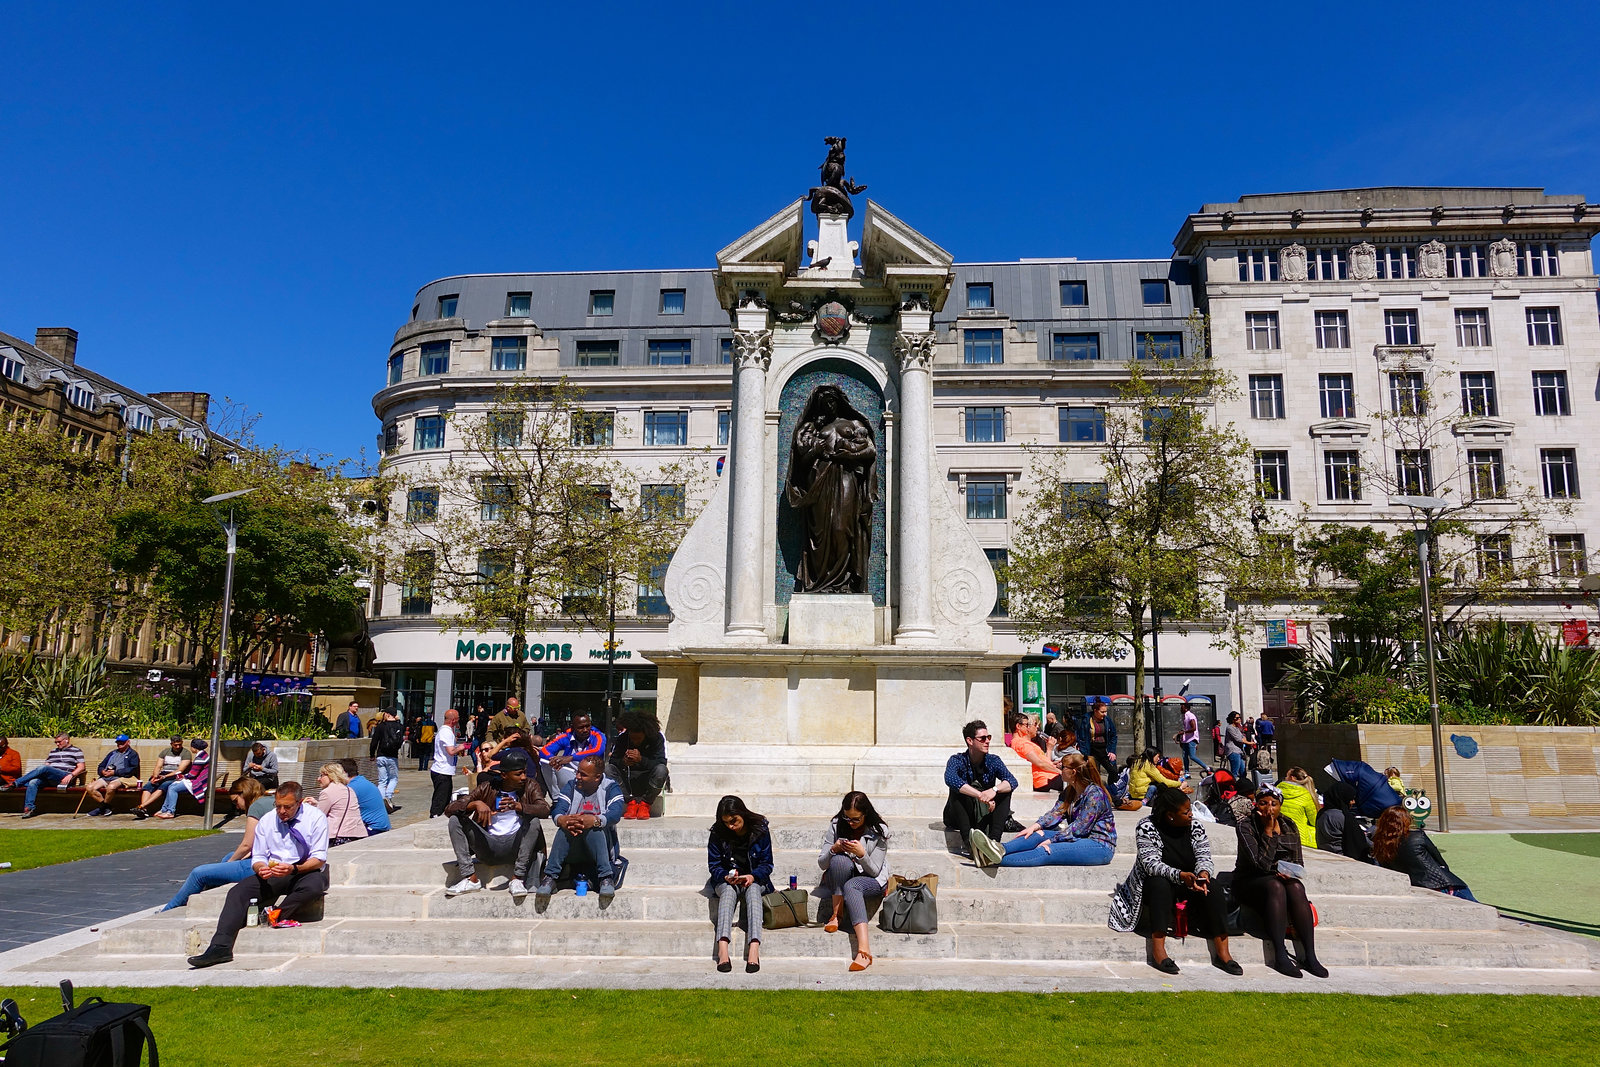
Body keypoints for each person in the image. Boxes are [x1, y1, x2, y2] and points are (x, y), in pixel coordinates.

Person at [186, 781, 331, 968]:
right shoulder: (268, 820)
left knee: (313, 886)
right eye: (278, 806)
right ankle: (220, 947)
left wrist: (294, 869)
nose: (282, 811)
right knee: (237, 893)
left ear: (300, 803)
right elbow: (259, 855)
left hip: (304, 869)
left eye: (288, 807)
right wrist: (260, 867)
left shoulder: (316, 818)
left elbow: (319, 858)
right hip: (274, 870)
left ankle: (275, 914)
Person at [1109, 785, 1241, 975]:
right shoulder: (1147, 826)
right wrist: (1180, 876)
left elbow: (1204, 855)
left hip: (1189, 880)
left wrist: (1203, 873)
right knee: (1159, 885)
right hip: (1156, 882)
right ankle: (1159, 949)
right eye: (1186, 812)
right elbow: (1150, 864)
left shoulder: (1195, 826)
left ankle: (1223, 952)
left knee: (1215, 888)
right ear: (1170, 815)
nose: (1191, 815)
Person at [1232, 783, 1327, 978]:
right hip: (1251, 880)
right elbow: (1261, 865)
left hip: (1280, 877)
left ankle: (1309, 955)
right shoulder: (1246, 826)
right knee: (1275, 886)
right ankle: (1279, 954)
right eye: (1263, 803)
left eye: (1274, 804)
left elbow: (1298, 861)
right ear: (1255, 805)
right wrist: (1268, 832)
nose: (1269, 809)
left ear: (1280, 805)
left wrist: (1291, 873)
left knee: (1296, 887)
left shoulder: (1289, 825)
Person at [443, 748, 551, 900]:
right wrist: (475, 804)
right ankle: (470, 878)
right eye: (518, 774)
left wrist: (519, 806)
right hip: (488, 846)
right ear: (505, 775)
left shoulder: (530, 786)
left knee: (533, 822)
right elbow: (449, 810)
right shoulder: (488, 787)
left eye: (524, 772)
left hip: (516, 846)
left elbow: (545, 809)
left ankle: (517, 878)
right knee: (455, 820)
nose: (523, 777)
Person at [983, 752, 1116, 868]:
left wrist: (1052, 840)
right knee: (1038, 834)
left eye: (1063, 767)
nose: (1058, 768)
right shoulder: (1070, 791)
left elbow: (1079, 828)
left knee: (1046, 850)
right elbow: (1055, 813)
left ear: (1073, 772)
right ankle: (999, 849)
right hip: (1079, 837)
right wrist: (1035, 827)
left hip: (1098, 845)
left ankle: (993, 860)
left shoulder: (1095, 795)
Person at [162, 779, 272, 910]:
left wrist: (229, 863)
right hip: (271, 857)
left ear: (244, 794)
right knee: (228, 857)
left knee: (199, 873)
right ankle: (204, 895)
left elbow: (247, 845)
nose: (237, 806)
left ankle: (169, 909)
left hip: (263, 864)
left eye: (236, 801)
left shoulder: (257, 806)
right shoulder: (269, 801)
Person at [537, 755, 625, 900]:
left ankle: (605, 878)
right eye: (577, 772)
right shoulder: (571, 786)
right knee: (565, 828)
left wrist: (595, 820)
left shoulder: (611, 787)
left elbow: (615, 814)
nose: (577, 776)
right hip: (573, 845)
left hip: (599, 847)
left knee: (594, 827)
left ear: (597, 777)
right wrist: (562, 819)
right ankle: (550, 877)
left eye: (583, 774)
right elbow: (558, 809)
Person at [818, 790, 887, 973]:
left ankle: (864, 951)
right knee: (839, 861)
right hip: (843, 874)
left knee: (852, 886)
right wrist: (833, 849)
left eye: (856, 819)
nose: (851, 823)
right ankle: (836, 914)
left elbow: (875, 871)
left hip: (871, 880)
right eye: (847, 818)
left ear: (866, 814)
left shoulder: (879, 831)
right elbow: (822, 863)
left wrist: (862, 854)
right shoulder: (836, 825)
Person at [706, 795, 772, 973]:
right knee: (728, 892)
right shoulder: (718, 833)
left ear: (742, 814)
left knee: (753, 891)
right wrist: (726, 876)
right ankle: (723, 950)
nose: (731, 826)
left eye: (734, 821)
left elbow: (767, 865)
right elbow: (714, 866)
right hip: (727, 880)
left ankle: (754, 948)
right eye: (726, 822)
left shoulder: (760, 829)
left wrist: (752, 876)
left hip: (754, 879)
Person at [942, 719, 1019, 856]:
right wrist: (980, 795)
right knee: (957, 790)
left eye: (988, 737)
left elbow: (1012, 781)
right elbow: (950, 779)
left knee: (1005, 790)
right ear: (970, 741)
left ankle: (994, 843)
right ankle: (970, 846)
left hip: (983, 813)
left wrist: (993, 790)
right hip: (959, 815)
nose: (987, 741)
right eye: (982, 738)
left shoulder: (993, 760)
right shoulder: (957, 760)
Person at [1371, 805, 1476, 900]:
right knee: (1475, 904)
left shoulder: (1379, 843)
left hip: (1413, 885)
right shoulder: (1417, 836)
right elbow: (1439, 860)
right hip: (1440, 883)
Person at [606, 710, 668, 820]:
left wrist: (641, 760)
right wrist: (623, 762)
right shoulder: (623, 738)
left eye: (638, 739)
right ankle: (631, 803)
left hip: (648, 779)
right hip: (628, 780)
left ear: (645, 734)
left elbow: (661, 762)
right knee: (608, 769)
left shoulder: (656, 738)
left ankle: (645, 804)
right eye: (632, 738)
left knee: (662, 770)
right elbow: (613, 761)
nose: (635, 742)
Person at [10, 733, 86, 818]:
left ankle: (16, 783)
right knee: (33, 782)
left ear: (66, 740)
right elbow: (47, 764)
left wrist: (71, 775)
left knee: (44, 768)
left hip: (64, 776)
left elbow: (81, 767)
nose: (57, 744)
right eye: (56, 742)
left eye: (59, 742)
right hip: (50, 778)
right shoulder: (53, 751)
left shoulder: (76, 751)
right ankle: (29, 808)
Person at [540, 714, 607, 791]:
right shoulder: (566, 736)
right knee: (545, 763)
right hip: (569, 774)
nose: (585, 730)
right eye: (581, 727)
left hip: (591, 777)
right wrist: (554, 760)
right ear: (573, 727)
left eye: (588, 726)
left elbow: (597, 751)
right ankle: (557, 799)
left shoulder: (598, 735)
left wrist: (571, 758)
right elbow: (544, 751)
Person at [84, 734, 142, 816]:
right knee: (90, 788)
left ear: (128, 742)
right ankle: (105, 807)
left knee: (111, 787)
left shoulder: (133, 754)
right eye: (118, 742)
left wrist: (115, 772)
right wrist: (102, 771)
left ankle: (101, 808)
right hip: (106, 776)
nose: (119, 744)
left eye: (122, 742)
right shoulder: (112, 753)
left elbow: (132, 769)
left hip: (122, 778)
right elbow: (101, 765)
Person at [132, 737, 189, 819]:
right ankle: (143, 810)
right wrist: (155, 776)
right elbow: (158, 766)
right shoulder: (165, 752)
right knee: (149, 786)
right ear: (171, 744)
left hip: (175, 777)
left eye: (179, 744)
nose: (178, 747)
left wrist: (164, 777)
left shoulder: (186, 753)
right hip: (163, 775)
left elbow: (180, 770)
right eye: (175, 745)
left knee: (164, 786)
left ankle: (141, 806)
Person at [312, 762, 368, 846]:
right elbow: (340, 807)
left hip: (338, 836)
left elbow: (319, 816)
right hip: (357, 833)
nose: (318, 779)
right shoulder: (349, 790)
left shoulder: (327, 792)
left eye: (322, 775)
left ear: (331, 776)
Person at [152, 738, 210, 819]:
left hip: (200, 782)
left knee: (173, 788)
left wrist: (183, 776)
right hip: (200, 779)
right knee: (172, 785)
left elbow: (193, 774)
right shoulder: (203, 755)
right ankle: (164, 809)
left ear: (194, 748)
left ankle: (170, 812)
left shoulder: (200, 758)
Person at [1314, 781, 1371, 862]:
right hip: (1342, 858)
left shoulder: (1322, 813)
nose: (1353, 802)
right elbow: (1359, 840)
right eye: (1351, 799)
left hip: (1325, 856)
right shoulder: (1343, 817)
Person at [338, 758, 391, 836]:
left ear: (343, 773)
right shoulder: (362, 781)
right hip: (382, 825)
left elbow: (339, 810)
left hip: (373, 828)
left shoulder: (351, 788)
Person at [1008, 714, 1061, 793]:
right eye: (1026, 725)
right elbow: (1040, 763)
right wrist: (1060, 772)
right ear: (1018, 726)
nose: (1028, 727)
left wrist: (1049, 750)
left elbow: (1042, 762)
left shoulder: (1020, 743)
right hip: (1045, 779)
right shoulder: (1022, 744)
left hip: (1047, 777)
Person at [429, 708, 467, 818]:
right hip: (442, 770)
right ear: (453, 720)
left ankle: (439, 815)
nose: (459, 720)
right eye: (458, 718)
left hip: (444, 770)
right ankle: (435, 816)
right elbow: (451, 751)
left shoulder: (445, 731)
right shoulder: (446, 732)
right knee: (441, 798)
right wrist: (460, 747)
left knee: (445, 797)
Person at [1072, 698, 1119, 783]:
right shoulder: (1086, 720)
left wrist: (1112, 751)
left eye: (1106, 712)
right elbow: (1081, 737)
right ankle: (1097, 791)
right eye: (1102, 712)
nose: (1105, 714)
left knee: (1113, 771)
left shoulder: (1107, 720)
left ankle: (1112, 790)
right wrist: (1083, 752)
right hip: (1092, 750)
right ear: (1095, 711)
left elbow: (1113, 736)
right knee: (1095, 774)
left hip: (1105, 749)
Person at [369, 708, 405, 811]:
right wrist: (398, 721)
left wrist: (372, 754)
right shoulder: (399, 726)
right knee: (393, 778)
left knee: (382, 781)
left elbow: (374, 742)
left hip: (381, 755)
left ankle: (381, 800)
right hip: (392, 756)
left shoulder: (381, 726)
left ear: (388, 714)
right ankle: (388, 797)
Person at [1277, 767, 1320, 847]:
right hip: (1299, 837)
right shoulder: (1306, 796)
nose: (1285, 778)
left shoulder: (1276, 791)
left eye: (1286, 776)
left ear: (1292, 778)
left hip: (1278, 834)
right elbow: (1314, 821)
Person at [1178, 703, 1203, 776]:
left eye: (1182, 708)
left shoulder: (1190, 715)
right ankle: (1187, 772)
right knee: (1185, 756)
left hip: (1191, 739)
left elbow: (1194, 728)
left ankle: (1206, 767)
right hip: (1186, 739)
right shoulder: (1185, 716)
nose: (1180, 709)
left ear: (1186, 708)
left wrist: (1184, 732)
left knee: (1192, 756)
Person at [1223, 711, 1249, 781]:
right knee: (1235, 772)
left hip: (1239, 751)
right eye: (1237, 718)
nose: (1239, 719)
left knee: (1243, 772)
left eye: (1240, 717)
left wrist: (1245, 740)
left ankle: (1242, 786)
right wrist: (1249, 743)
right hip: (1233, 751)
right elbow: (1238, 739)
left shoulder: (1237, 728)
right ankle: (1232, 787)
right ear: (1232, 719)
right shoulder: (1230, 728)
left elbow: (1243, 737)